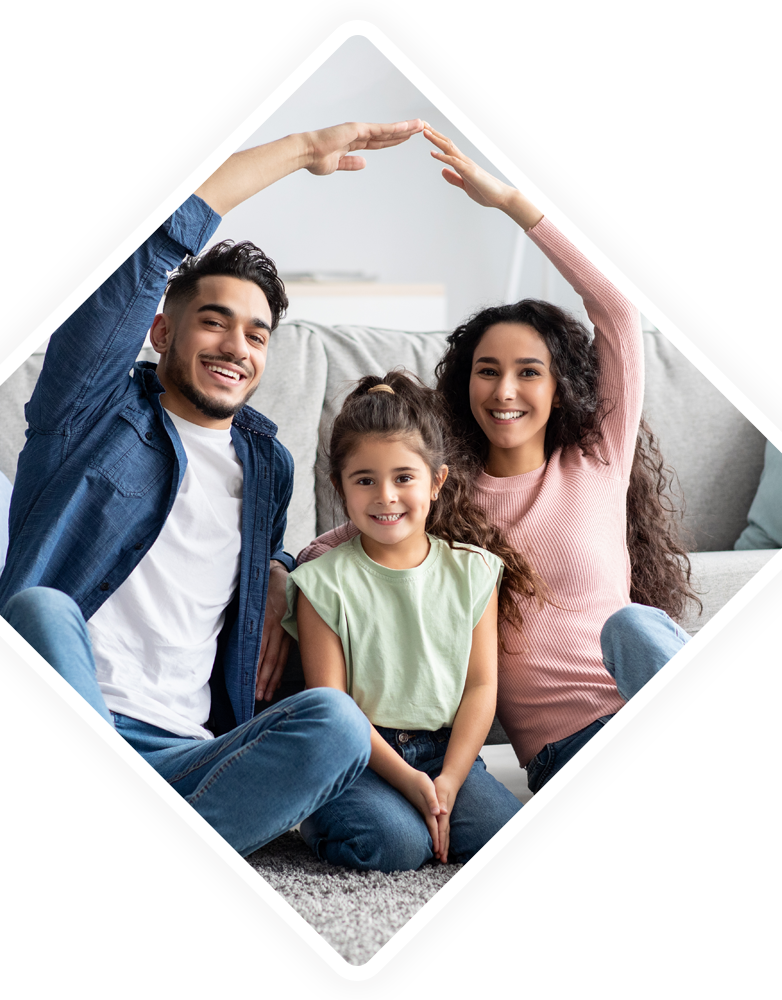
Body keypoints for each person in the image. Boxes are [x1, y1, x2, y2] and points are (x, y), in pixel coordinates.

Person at [0, 120, 426, 856]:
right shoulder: (89, 407)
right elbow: (146, 248)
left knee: (372, 796)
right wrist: (300, 151)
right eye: (214, 323)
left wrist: (281, 572)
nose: (236, 347)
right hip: (75, 708)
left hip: (188, 753)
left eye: (256, 335)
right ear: (161, 332)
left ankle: (115, 836)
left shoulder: (268, 464)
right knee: (38, 609)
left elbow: (268, 560)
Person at [301, 125, 697, 796]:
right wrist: (285, 570)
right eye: (487, 371)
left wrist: (514, 204)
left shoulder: (598, 459)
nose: (505, 391)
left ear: (560, 384)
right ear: (466, 385)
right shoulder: (446, 498)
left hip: (643, 710)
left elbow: (618, 315)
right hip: (563, 758)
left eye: (527, 372)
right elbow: (337, 540)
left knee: (632, 625)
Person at [282, 372, 536, 872]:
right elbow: (337, 712)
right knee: (396, 846)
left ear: (436, 482)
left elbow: (482, 687)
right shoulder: (320, 583)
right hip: (359, 756)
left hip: (448, 752)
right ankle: (318, 814)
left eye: (404, 478)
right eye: (364, 480)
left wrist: (448, 780)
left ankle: (427, 806)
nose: (386, 496)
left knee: (503, 837)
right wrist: (407, 780)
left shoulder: (474, 570)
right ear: (340, 487)